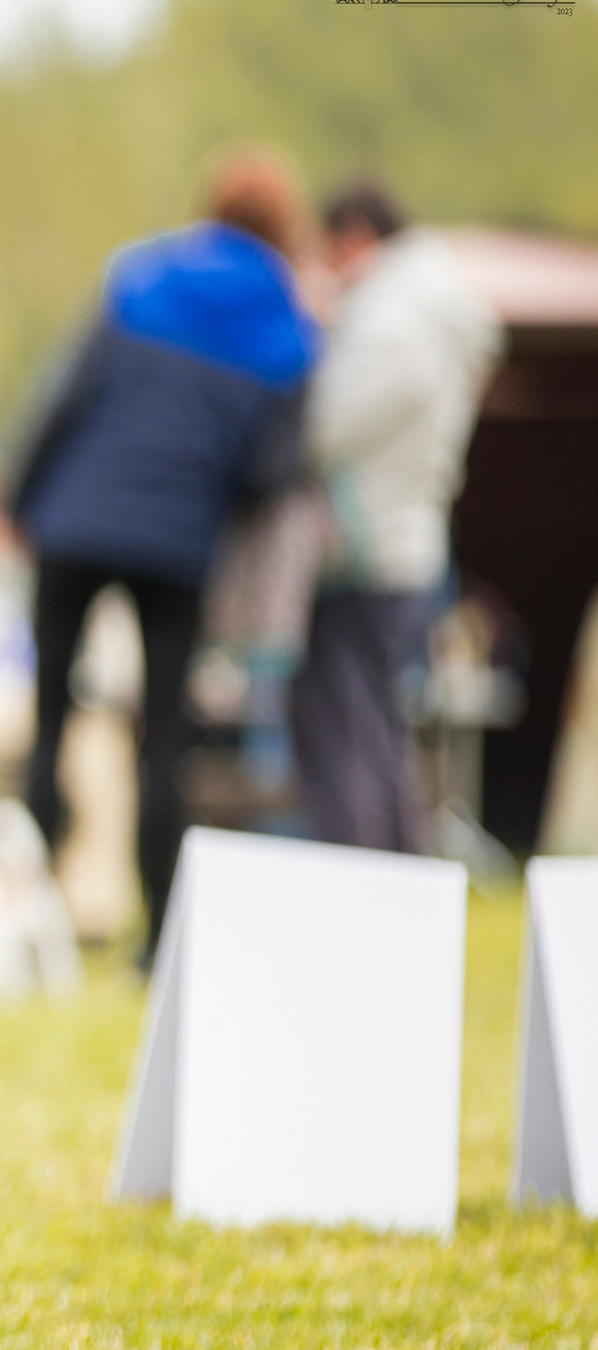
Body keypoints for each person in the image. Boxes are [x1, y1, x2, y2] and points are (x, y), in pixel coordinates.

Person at [8, 146, 317, 959]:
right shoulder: (290, 329)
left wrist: (15, 497)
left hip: (75, 520)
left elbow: (66, 397)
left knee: (49, 723)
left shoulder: (141, 277)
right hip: (178, 545)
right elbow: (273, 468)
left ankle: (29, 928)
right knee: (165, 742)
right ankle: (159, 944)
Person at [292, 179, 501, 852]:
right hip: (405, 542)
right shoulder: (436, 308)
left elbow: (323, 427)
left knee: (344, 733)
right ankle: (390, 878)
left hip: (365, 547)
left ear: (353, 238)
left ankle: (365, 881)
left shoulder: (393, 318)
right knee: (378, 730)